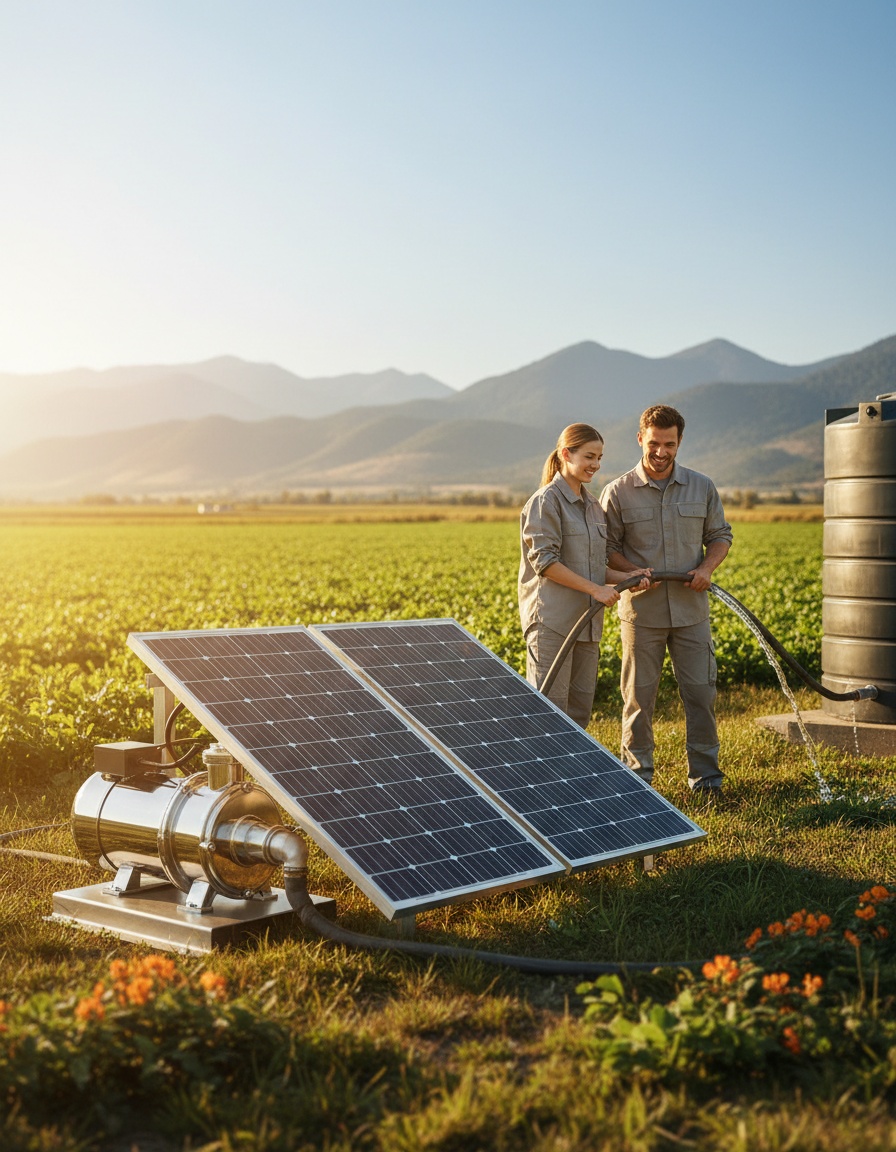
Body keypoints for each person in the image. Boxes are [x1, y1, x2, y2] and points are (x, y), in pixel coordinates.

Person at [599, 404, 733, 801]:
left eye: (669, 444)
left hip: (692, 613)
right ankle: (638, 782)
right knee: (638, 699)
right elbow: (606, 549)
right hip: (642, 615)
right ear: (640, 438)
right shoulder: (617, 492)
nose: (661, 452)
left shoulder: (702, 486)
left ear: (679, 442)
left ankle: (707, 782)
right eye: (654, 443)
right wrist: (632, 571)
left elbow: (720, 535)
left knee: (701, 696)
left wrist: (708, 567)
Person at [519, 423, 650, 728]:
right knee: (548, 713)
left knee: (579, 713)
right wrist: (595, 590)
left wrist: (630, 575)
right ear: (566, 454)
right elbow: (546, 563)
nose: (596, 464)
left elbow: (592, 566)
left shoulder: (592, 505)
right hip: (553, 622)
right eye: (589, 456)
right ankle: (542, 776)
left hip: (587, 624)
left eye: (600, 457)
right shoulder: (545, 502)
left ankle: (572, 776)